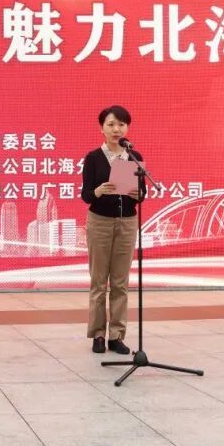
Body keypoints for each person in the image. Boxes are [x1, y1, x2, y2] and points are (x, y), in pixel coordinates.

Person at [80, 105, 141, 355]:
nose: (117, 129)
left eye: (121, 125)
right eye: (111, 124)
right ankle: (98, 335)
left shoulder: (133, 156)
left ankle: (117, 335)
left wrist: (138, 194)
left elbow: (142, 193)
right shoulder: (94, 157)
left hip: (127, 222)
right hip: (100, 222)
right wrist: (98, 191)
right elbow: (86, 195)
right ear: (102, 128)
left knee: (120, 283)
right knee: (98, 282)